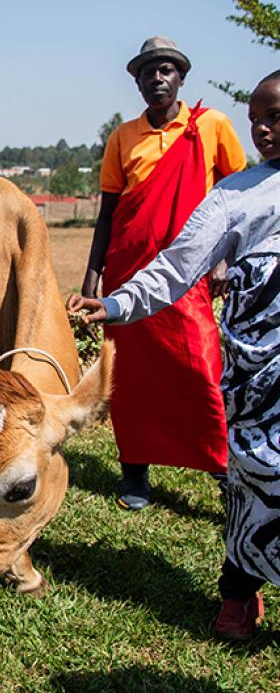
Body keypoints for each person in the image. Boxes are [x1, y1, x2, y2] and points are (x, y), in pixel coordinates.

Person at [68, 70, 280, 639]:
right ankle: (237, 596)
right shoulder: (235, 198)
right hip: (259, 374)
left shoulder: (208, 129)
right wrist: (113, 302)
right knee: (257, 475)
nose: (262, 128)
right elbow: (176, 265)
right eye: (257, 116)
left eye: (275, 117)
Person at [81, 37, 247, 510]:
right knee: (130, 380)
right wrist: (93, 280)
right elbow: (108, 212)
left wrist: (223, 259)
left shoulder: (212, 126)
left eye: (167, 69)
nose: (158, 77)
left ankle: (221, 467)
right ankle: (135, 472)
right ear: (136, 82)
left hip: (189, 273)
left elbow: (238, 196)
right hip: (128, 272)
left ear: (182, 78)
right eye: (148, 71)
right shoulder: (122, 137)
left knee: (200, 367)